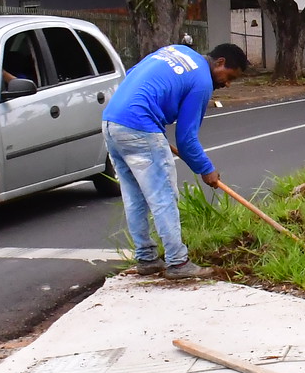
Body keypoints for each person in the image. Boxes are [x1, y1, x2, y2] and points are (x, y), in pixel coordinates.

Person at [102, 41, 250, 279]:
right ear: (220, 62)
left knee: (134, 196)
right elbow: (186, 139)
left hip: (112, 121)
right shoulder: (202, 81)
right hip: (140, 125)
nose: (227, 83)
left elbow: (132, 75)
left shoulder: (176, 51)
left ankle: (147, 258)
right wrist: (206, 169)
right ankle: (178, 262)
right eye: (229, 76)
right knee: (164, 196)